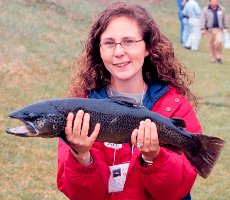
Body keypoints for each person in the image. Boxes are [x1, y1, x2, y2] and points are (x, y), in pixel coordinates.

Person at [57, 2, 202, 200]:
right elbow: (83, 195)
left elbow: (175, 191)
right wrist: (81, 156)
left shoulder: (174, 107)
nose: (118, 52)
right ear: (98, 50)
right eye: (109, 43)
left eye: (129, 41)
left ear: (148, 47)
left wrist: (154, 158)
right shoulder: (80, 112)